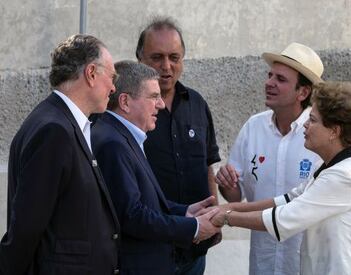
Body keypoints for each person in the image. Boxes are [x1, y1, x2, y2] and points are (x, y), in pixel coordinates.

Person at [216, 43, 351, 275]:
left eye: (312, 120)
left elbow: (284, 217)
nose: (305, 126)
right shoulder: (326, 166)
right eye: (269, 75)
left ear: (334, 130)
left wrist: (224, 217)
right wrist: (229, 206)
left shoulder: (346, 175)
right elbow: (286, 199)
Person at [0, 34, 121, 274]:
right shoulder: (54, 130)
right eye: (112, 76)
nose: (114, 87)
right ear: (91, 73)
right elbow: (26, 226)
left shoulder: (64, 123)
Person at [91, 60, 221, 275]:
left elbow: (144, 201)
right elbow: (131, 216)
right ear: (125, 101)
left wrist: (185, 211)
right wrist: (193, 227)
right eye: (153, 96)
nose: (161, 104)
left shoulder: (124, 136)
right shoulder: (112, 143)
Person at [136, 16, 221, 274]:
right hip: (149, 249)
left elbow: (208, 166)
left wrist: (215, 217)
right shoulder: (128, 110)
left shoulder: (196, 104)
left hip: (194, 248)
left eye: (174, 57)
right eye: (157, 57)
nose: (166, 66)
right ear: (139, 58)